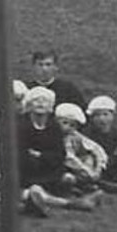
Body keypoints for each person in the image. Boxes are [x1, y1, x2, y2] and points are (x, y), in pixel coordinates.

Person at [16, 87, 98, 216]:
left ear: (51, 107)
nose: (41, 103)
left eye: (45, 101)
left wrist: (40, 155)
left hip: (50, 172)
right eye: (36, 100)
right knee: (34, 190)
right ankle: (73, 204)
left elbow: (59, 155)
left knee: (66, 178)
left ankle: (40, 202)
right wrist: (42, 157)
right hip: (26, 174)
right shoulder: (20, 126)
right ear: (29, 104)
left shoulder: (53, 127)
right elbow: (20, 154)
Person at [56, 102, 111, 197]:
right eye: (64, 123)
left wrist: (98, 168)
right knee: (67, 178)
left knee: (89, 157)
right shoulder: (54, 136)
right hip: (60, 167)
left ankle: (88, 184)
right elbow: (69, 158)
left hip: (78, 169)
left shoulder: (74, 135)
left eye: (72, 125)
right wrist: (87, 171)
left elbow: (96, 148)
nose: (68, 127)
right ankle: (72, 188)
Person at [84, 95, 117, 186]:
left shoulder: (116, 132)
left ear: (113, 115)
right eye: (97, 115)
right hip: (96, 162)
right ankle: (101, 181)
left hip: (111, 161)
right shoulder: (88, 133)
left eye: (105, 114)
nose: (102, 119)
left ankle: (115, 177)